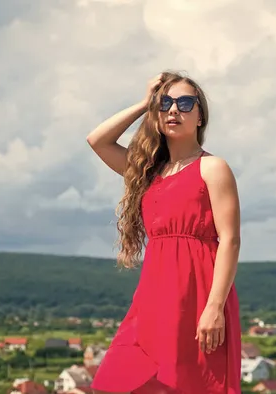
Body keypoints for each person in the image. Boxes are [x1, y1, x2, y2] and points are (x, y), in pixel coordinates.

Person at [86, 71, 241, 394]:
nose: (174, 110)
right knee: (117, 383)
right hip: (152, 299)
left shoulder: (212, 168)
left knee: (191, 385)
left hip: (198, 295)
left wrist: (214, 308)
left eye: (185, 103)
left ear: (200, 116)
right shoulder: (148, 171)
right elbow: (97, 140)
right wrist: (144, 103)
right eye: (165, 103)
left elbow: (230, 239)